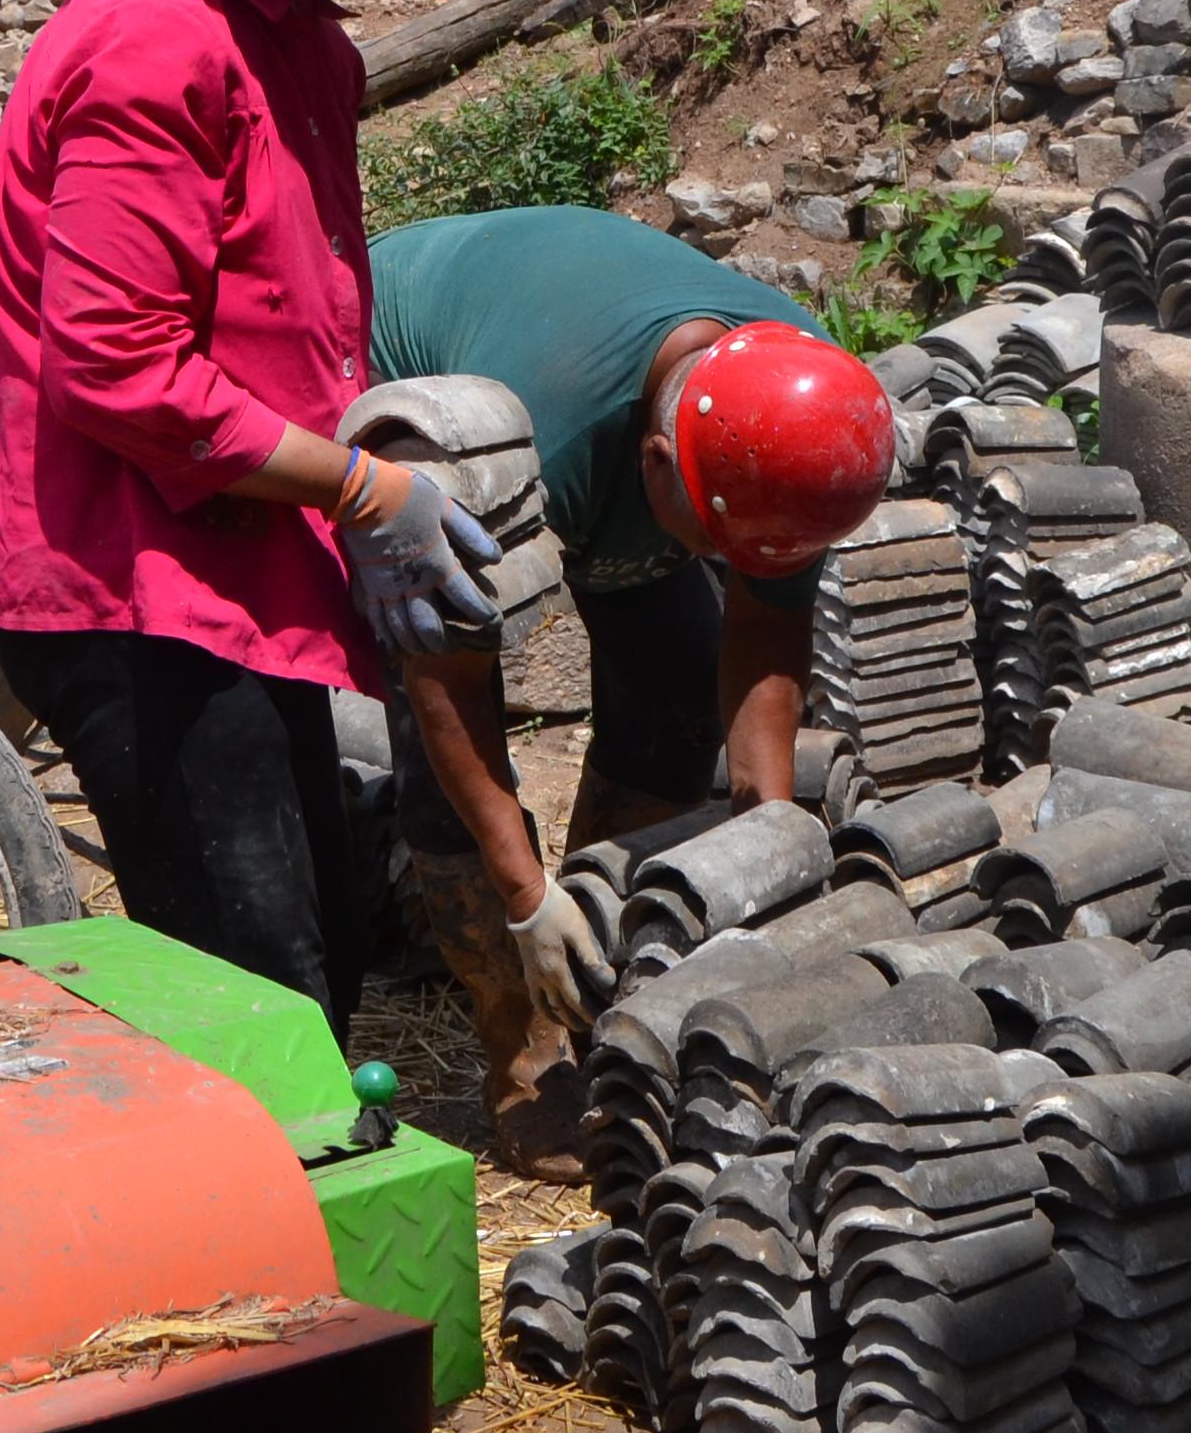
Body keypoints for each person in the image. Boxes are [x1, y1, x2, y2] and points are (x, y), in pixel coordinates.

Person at [0, 0, 511, 1026]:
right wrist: (365, 489)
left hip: (230, 560)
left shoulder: (292, 42)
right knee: (264, 1005)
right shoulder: (157, 35)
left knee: (320, 946)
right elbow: (118, 367)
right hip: (136, 584)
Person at [363, 203, 897, 1170]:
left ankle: (596, 973)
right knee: (437, 754)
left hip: (594, 387)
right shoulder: (525, 433)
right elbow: (449, 688)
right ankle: (525, 1042)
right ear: (655, 465)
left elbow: (767, 628)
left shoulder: (793, 408)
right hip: (394, 363)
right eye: (710, 542)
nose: (729, 567)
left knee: (677, 698)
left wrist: (764, 852)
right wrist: (525, 898)